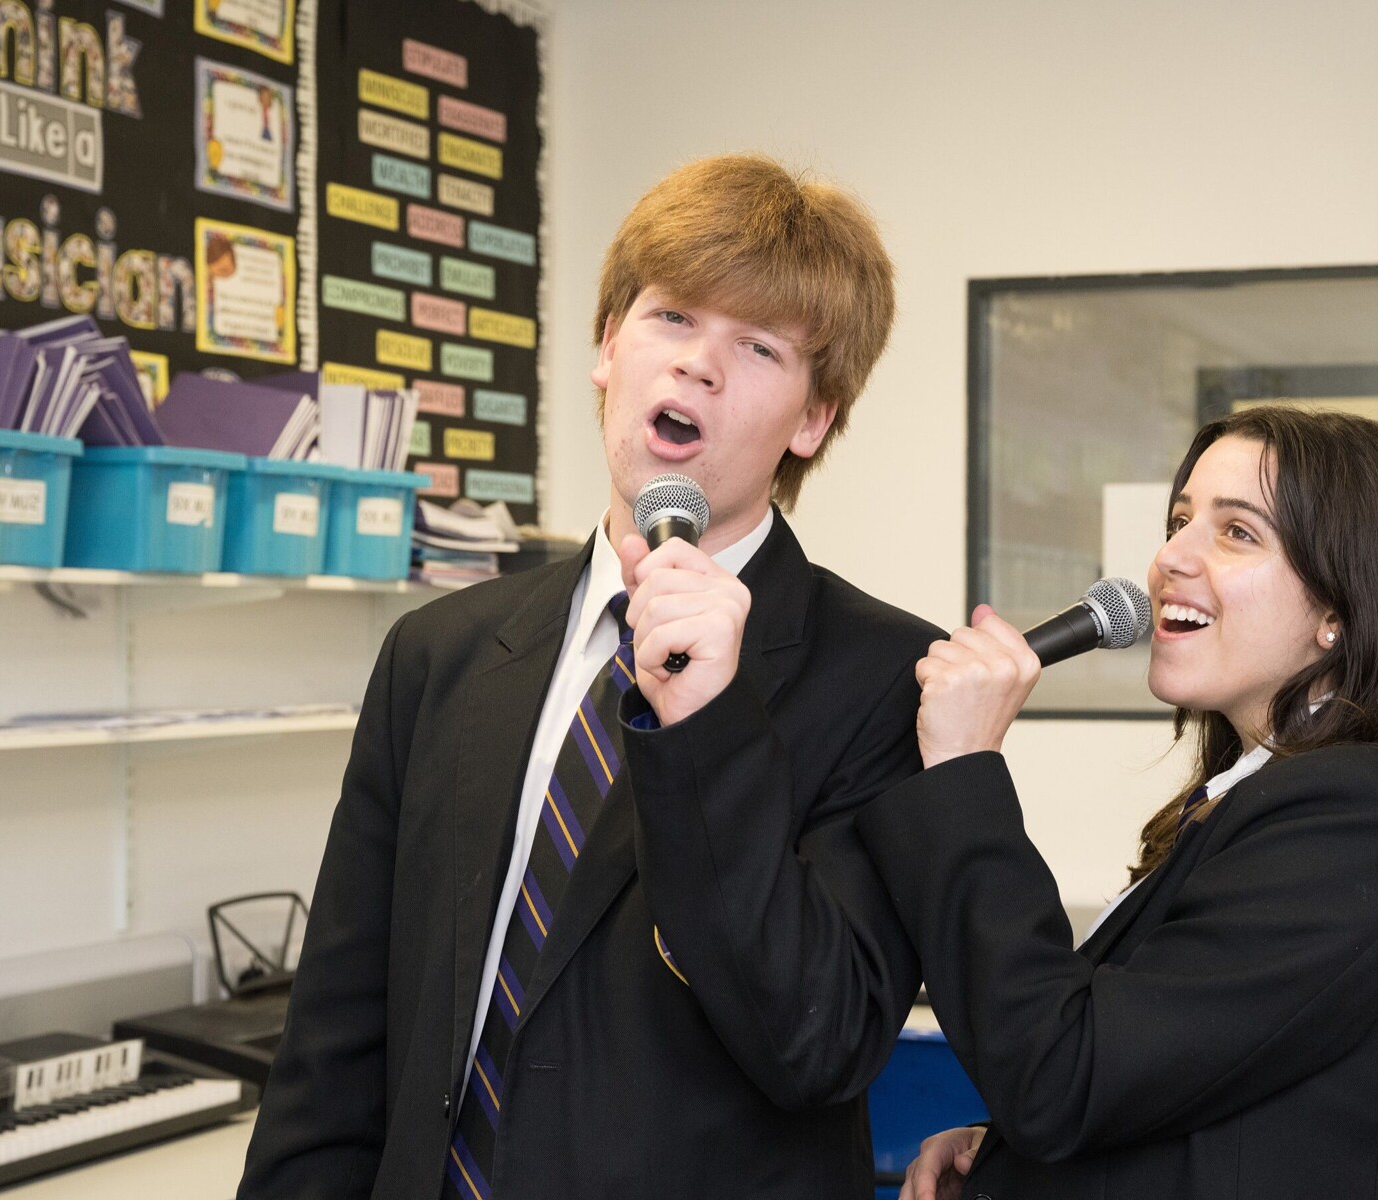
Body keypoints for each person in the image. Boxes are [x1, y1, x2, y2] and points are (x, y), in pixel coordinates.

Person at [240, 154, 940, 1199]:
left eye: (755, 346)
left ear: (810, 420)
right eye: (669, 319)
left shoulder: (893, 682)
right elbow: (336, 1036)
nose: (697, 366)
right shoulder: (439, 655)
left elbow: (816, 1045)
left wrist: (707, 726)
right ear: (606, 348)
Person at [860, 406, 1378, 1199]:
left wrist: (962, 770)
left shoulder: (1360, 819)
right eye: (1180, 520)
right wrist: (1010, 1156)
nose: (1169, 558)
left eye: (1237, 533)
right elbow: (1195, 1086)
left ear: (1341, 608)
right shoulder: (1266, 799)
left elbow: (1063, 1077)